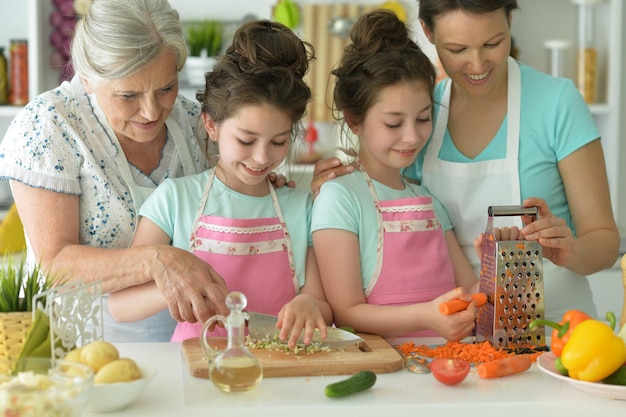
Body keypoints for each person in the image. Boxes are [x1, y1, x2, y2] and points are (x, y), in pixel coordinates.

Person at [313, 0, 620, 322]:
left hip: (561, 323)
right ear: (428, 33)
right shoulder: (420, 109)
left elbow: (604, 243)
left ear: (510, 20)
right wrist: (332, 185)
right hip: (456, 326)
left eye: (493, 43)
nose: (477, 64)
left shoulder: (557, 103)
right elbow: (380, 192)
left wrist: (570, 251)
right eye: (457, 49)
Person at [0, 0, 230, 342]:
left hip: (190, 342)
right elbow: (55, 267)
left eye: (166, 87)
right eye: (128, 94)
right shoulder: (50, 126)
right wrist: (154, 260)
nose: (152, 111)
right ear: (88, 78)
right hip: (77, 349)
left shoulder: (194, 121)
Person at [107, 20, 333, 348]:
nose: (260, 157)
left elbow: (322, 303)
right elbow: (120, 306)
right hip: (194, 369)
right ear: (211, 125)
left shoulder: (301, 207)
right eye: (246, 140)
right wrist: (174, 285)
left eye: (278, 141)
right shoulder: (174, 199)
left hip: (282, 367)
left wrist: (310, 305)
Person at [311, 10, 479, 341]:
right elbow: (347, 312)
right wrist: (427, 316)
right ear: (354, 120)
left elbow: (468, 287)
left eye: (423, 118)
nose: (413, 136)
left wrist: (499, 275)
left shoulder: (428, 199)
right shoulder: (340, 197)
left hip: (450, 365)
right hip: (384, 370)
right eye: (393, 123)